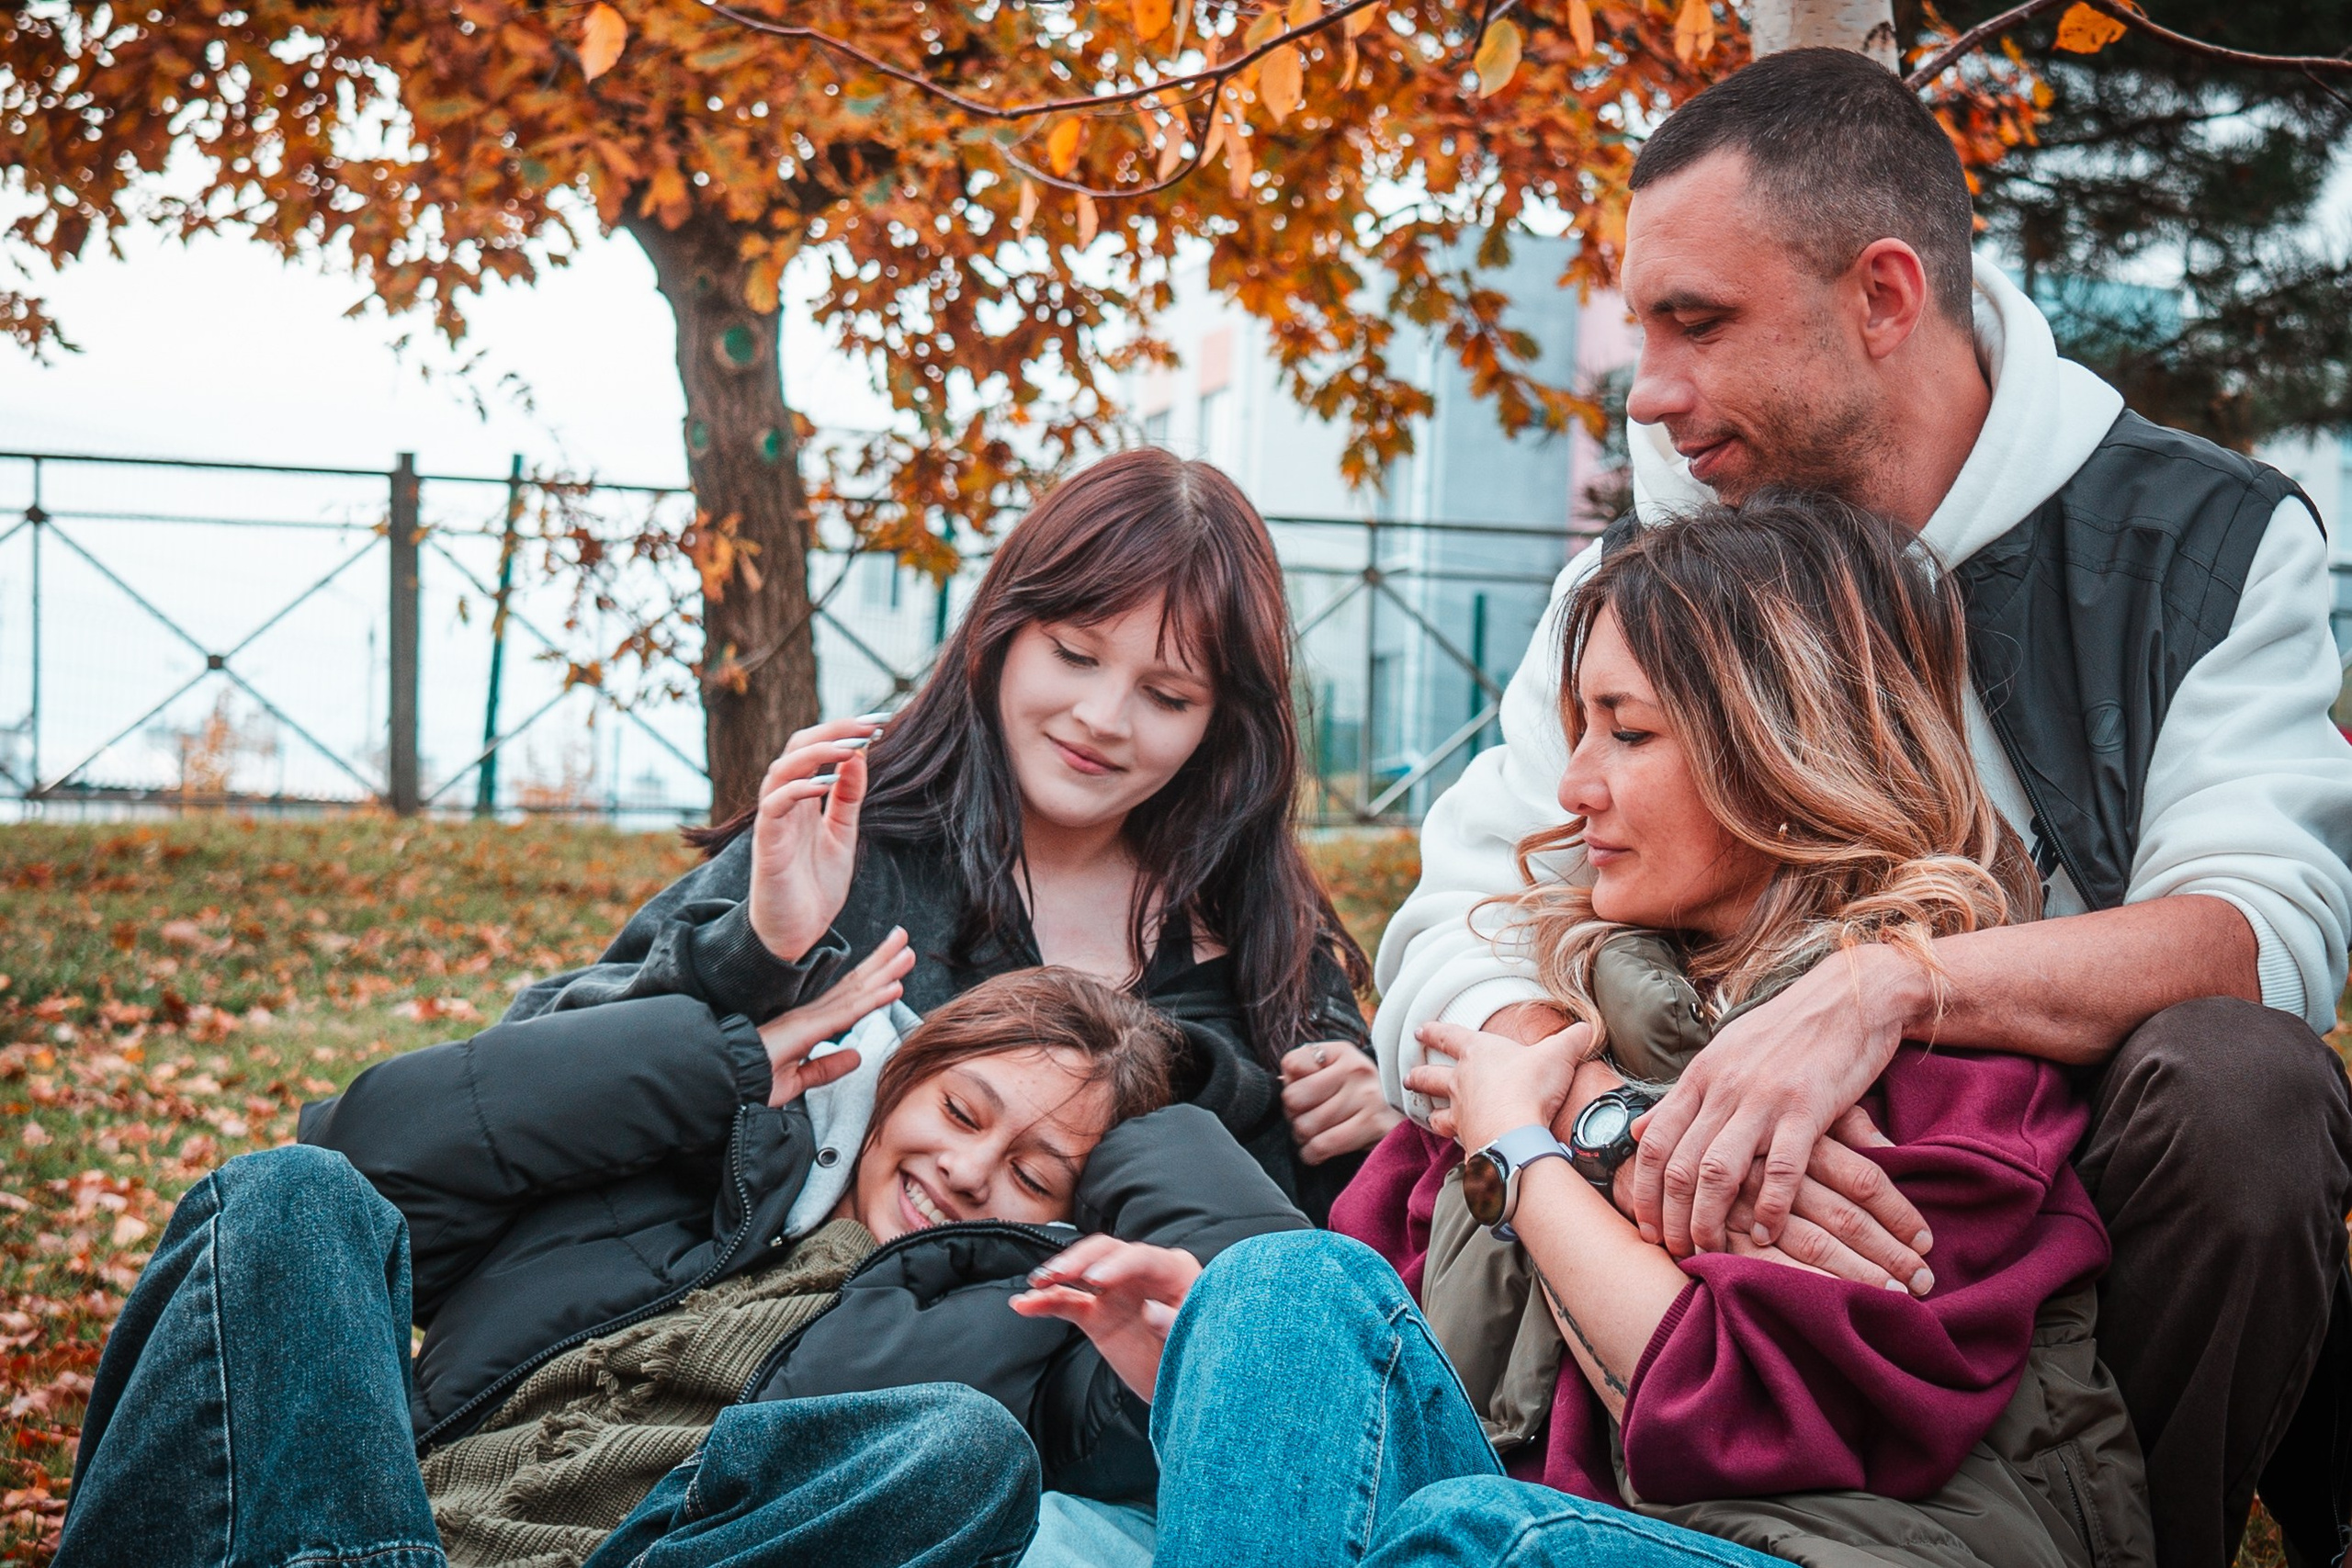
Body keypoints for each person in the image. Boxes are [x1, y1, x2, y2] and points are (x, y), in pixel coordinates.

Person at [1373, 47, 2352, 1566]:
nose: (1655, 393)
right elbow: (1464, 918)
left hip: (2021, 1176)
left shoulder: (2204, 545)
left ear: (1886, 296)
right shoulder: (1641, 575)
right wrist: (1603, 1115)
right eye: (1645, 328)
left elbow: (2263, 934)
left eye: (1699, 324)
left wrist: (1890, 991)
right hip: (1687, 1187)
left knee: (2246, 1087)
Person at [1018, 493, 2154, 1567]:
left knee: (1493, 1539)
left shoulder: (1950, 1064)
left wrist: (1520, 1154)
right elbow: (1385, 1370)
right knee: (1275, 1289)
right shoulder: (1548, 1027)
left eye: (1626, 733)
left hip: (1815, 1547)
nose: (1571, 788)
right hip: (1517, 1518)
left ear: (1780, 753)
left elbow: (1732, 1419)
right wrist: (1231, 1378)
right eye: (1579, 731)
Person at [55, 949, 1308, 1568]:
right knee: (290, 1192)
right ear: (898, 1077)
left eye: (1039, 1170)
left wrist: (1163, 1102)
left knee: (961, 1451)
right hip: (367, 1529)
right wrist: (732, 1062)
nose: (976, 1171)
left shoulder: (1033, 1318)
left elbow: (1267, 1331)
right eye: (963, 1110)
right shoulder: (699, 1170)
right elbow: (377, 1145)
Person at [514, 446, 1395, 1224]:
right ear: (1003, 632)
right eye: (1076, 655)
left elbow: (1319, 1271)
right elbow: (530, 1077)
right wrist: (752, 953)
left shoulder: (1262, 937)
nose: (1101, 718)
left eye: (1167, 697)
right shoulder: (851, 841)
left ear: (1221, 726)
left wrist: (1379, 1138)